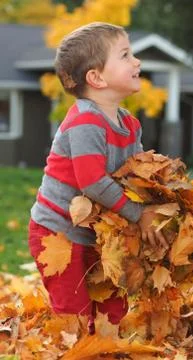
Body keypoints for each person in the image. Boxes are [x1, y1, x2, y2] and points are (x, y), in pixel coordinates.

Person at [28, 22, 167, 334]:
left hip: (99, 233)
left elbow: (135, 175)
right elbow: (92, 182)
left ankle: (105, 348)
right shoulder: (85, 121)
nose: (137, 62)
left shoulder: (129, 124)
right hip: (58, 233)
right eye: (126, 55)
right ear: (97, 78)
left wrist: (161, 198)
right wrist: (137, 214)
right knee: (74, 318)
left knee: (112, 313)